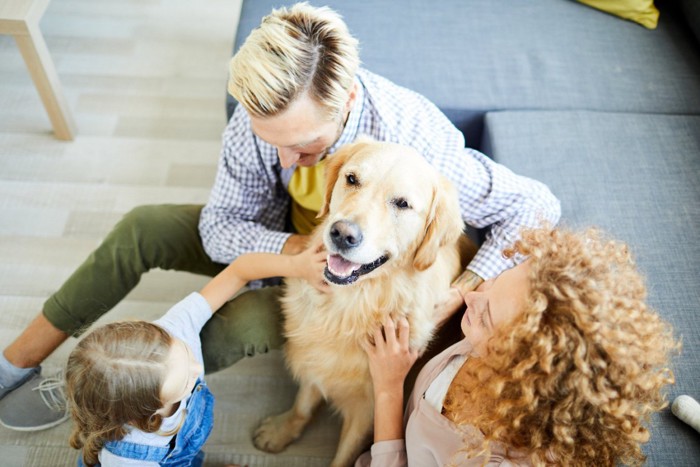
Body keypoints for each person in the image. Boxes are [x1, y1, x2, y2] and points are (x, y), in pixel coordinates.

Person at [0, 2, 560, 430]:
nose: (289, 162)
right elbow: (220, 226)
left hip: (351, 288)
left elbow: (536, 205)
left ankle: (117, 398)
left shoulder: (418, 144)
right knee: (143, 225)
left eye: (306, 145)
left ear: (344, 105)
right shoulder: (259, 120)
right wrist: (293, 253)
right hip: (286, 247)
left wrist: (462, 287)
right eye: (273, 141)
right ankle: (16, 361)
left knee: (241, 322)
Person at [358, 227, 679, 466]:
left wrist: (389, 387)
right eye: (497, 279)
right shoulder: (494, 335)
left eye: (486, 317)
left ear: (520, 370)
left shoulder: (492, 459)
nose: (469, 297)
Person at [65, 244, 326, 467]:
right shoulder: (130, 459)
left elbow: (240, 270)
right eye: (185, 382)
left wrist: (296, 265)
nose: (196, 369)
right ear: (142, 414)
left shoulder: (176, 329)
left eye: (186, 354)